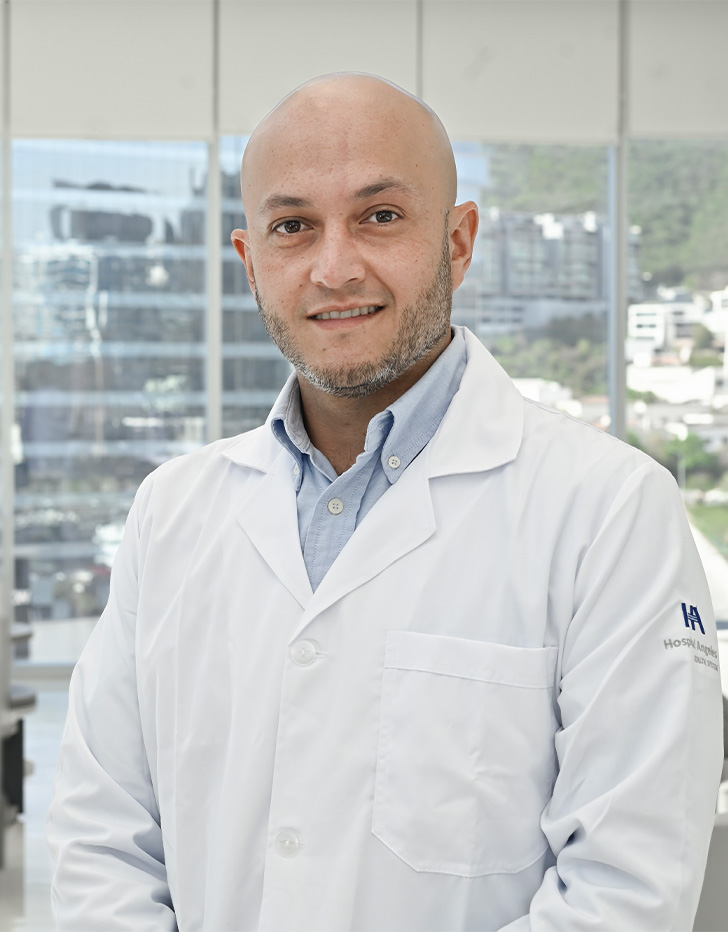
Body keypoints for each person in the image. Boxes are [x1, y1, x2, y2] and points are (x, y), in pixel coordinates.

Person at [48, 73, 723, 931]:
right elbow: (101, 836)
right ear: (251, 261)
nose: (335, 268)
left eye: (380, 216)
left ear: (460, 242)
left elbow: (627, 887)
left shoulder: (611, 510)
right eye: (293, 227)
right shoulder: (172, 511)